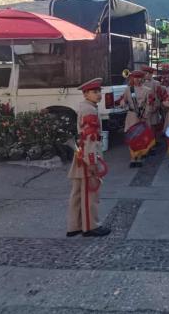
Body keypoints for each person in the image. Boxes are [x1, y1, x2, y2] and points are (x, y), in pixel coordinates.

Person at [66, 78, 111, 237]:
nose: (98, 94)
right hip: (87, 155)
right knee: (90, 194)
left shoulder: (86, 106)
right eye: (94, 92)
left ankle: (75, 226)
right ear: (85, 94)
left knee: (78, 193)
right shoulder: (89, 110)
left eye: (99, 91)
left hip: (82, 154)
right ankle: (91, 226)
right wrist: (92, 161)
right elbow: (90, 138)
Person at [119, 70, 155, 168]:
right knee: (132, 137)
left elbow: (149, 104)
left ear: (142, 78)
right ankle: (132, 158)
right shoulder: (128, 89)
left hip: (143, 116)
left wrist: (145, 115)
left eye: (139, 77)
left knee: (140, 137)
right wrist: (122, 102)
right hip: (131, 116)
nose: (137, 79)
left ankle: (139, 158)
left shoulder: (147, 90)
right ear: (132, 78)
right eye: (135, 77)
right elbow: (123, 99)